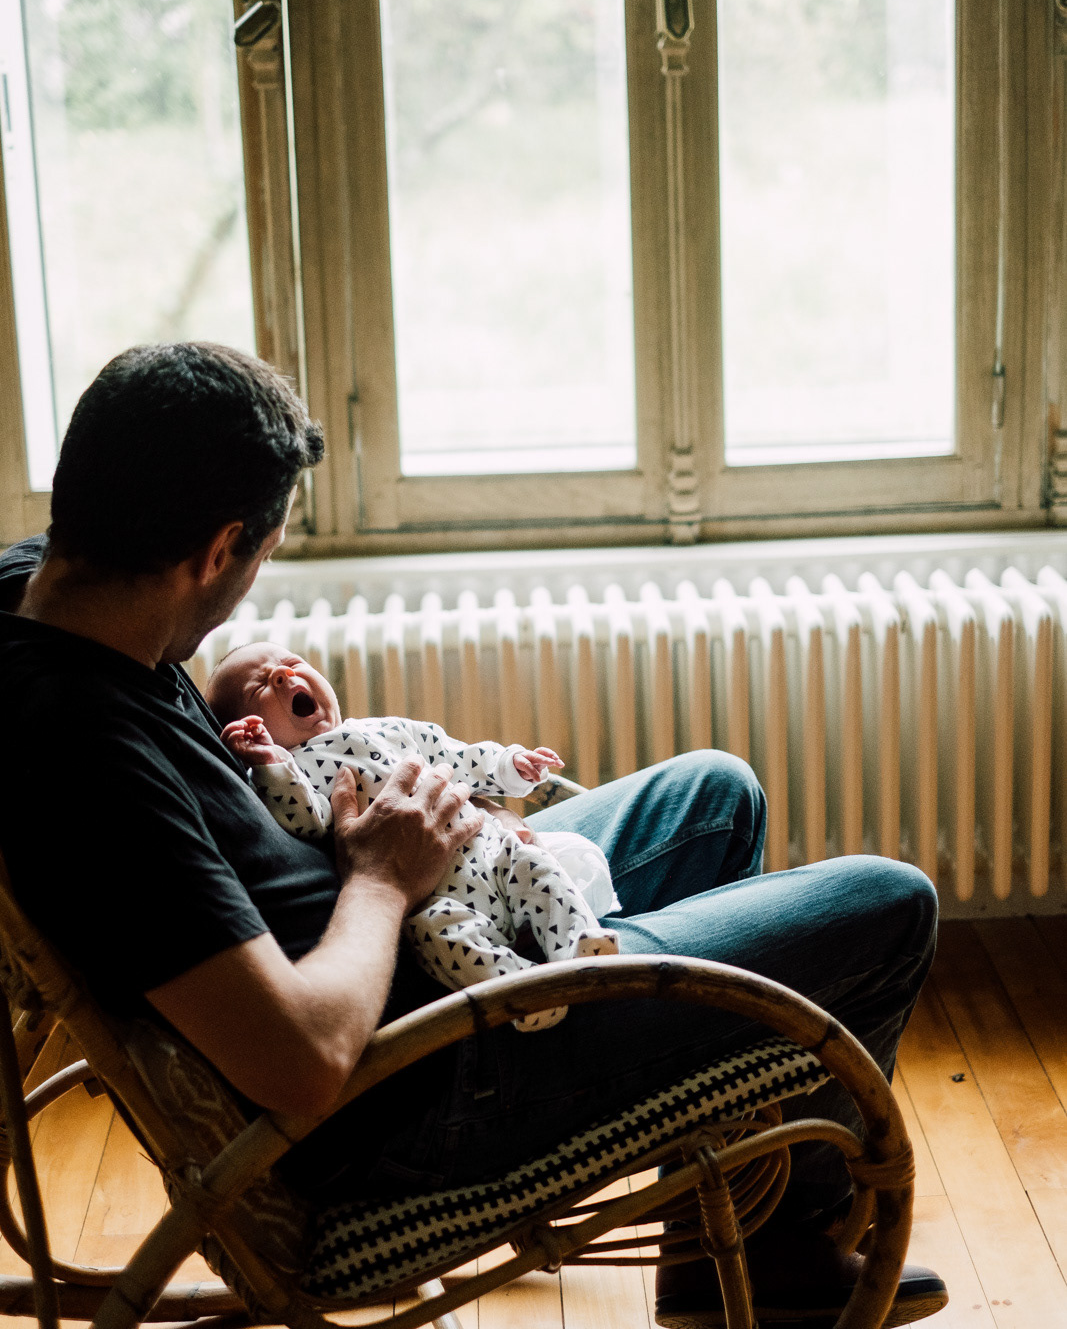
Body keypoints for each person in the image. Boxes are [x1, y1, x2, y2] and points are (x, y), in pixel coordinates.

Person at [0, 342, 946, 1328]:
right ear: (213, 550)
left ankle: (730, 1261)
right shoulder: (88, 760)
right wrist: (380, 875)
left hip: (407, 919)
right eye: (258, 561)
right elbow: (300, 1062)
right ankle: (786, 1271)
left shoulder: (44, 594)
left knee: (712, 800)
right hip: (424, 1074)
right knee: (887, 906)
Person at [205, 641, 619, 1028]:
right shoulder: (297, 772)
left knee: (539, 868)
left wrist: (510, 764)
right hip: (437, 899)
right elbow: (303, 819)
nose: (281, 674)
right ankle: (525, 991)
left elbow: (455, 755)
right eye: (257, 686)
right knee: (438, 937)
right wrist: (270, 765)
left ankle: (580, 944)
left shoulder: (382, 729)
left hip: (492, 853)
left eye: (292, 663)